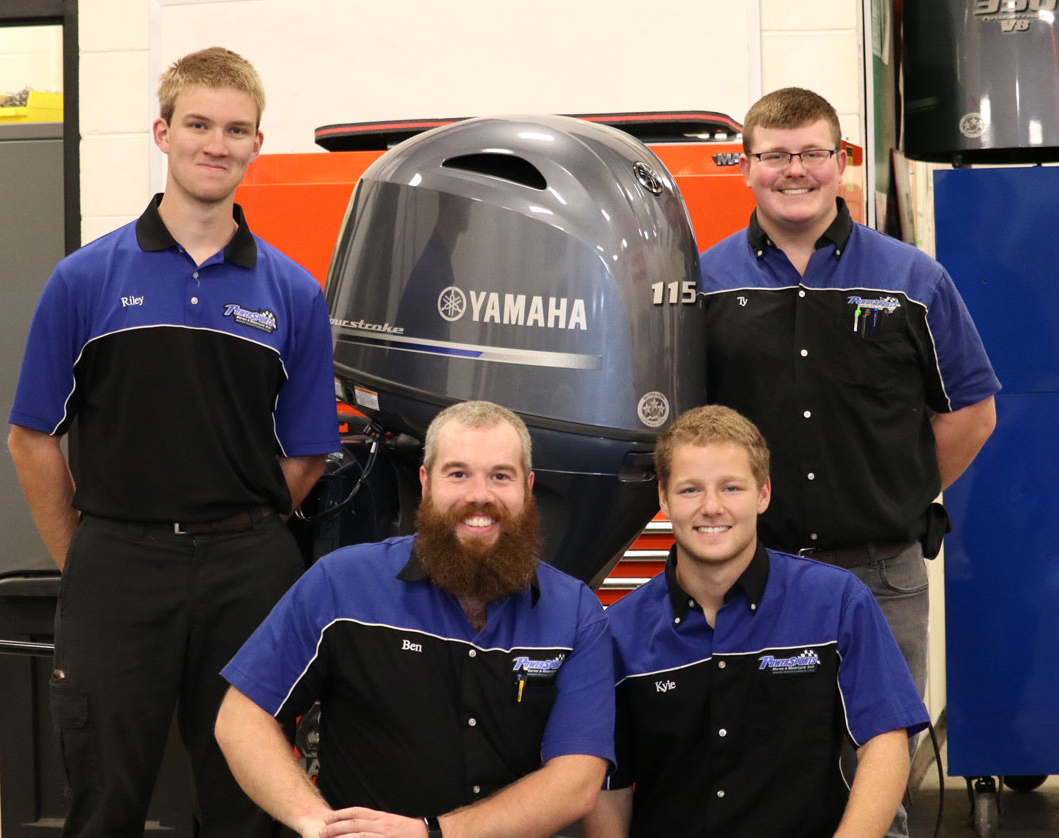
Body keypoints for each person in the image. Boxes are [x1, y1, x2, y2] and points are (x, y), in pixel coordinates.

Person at [7, 47, 339, 837]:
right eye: (198, 123)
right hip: (118, 566)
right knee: (104, 799)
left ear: (258, 143)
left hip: (248, 574)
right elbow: (30, 438)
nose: (215, 143)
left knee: (245, 804)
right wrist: (85, 554)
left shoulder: (294, 292)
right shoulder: (84, 280)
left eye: (236, 128)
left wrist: (240, 528)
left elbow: (306, 453)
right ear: (163, 132)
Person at [697, 88, 1000, 836]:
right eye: (774, 155)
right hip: (745, 573)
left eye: (811, 154)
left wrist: (896, 490)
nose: (793, 171)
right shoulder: (703, 284)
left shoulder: (912, 280)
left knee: (876, 767)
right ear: (748, 166)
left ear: (841, 163)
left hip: (880, 573)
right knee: (752, 768)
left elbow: (971, 412)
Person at [215, 400, 614, 838]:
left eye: (500, 476)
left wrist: (433, 834)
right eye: (457, 474)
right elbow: (241, 717)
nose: (479, 495)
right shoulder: (341, 584)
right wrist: (316, 823)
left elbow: (577, 781)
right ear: (425, 482)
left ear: (528, 487)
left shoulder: (575, 612)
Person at [581, 405, 930, 838]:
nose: (711, 507)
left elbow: (885, 742)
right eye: (690, 490)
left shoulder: (836, 602)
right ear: (664, 499)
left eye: (731, 487)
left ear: (763, 494)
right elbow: (608, 787)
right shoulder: (618, 631)